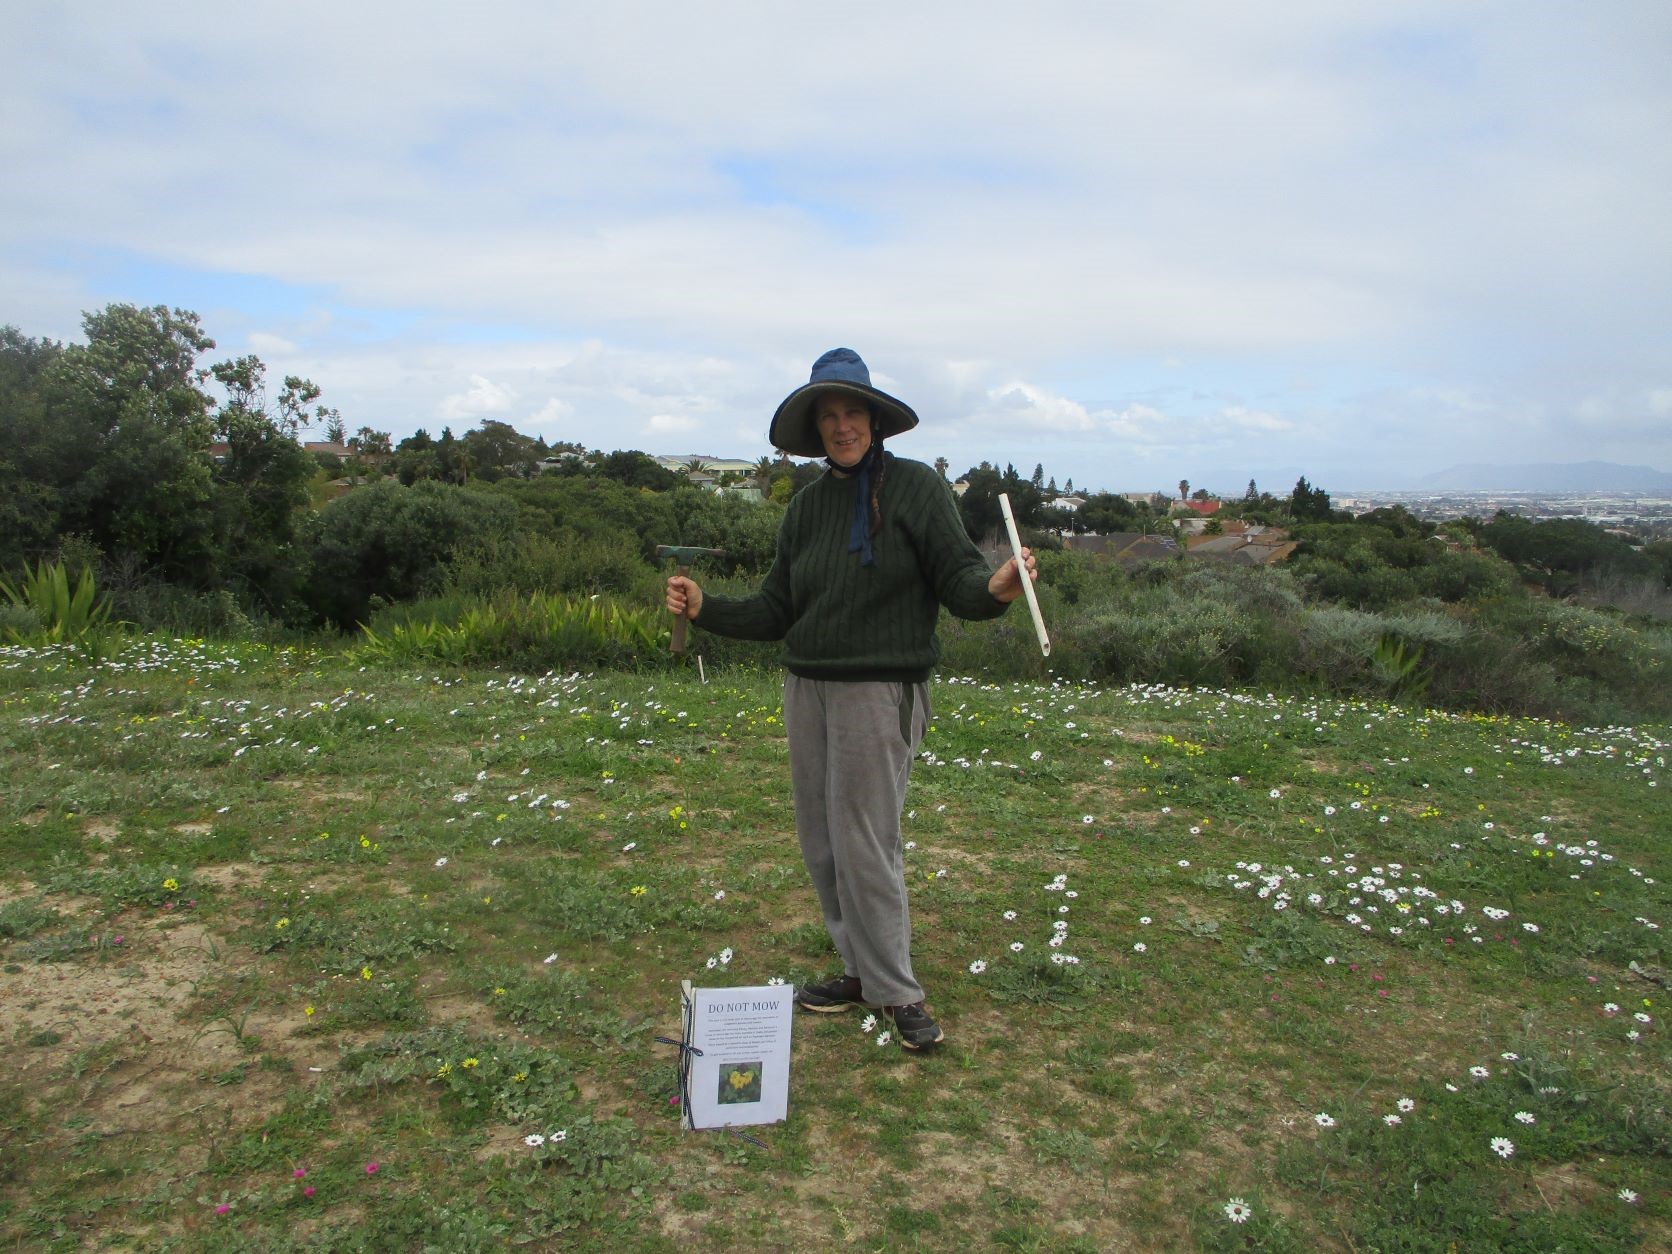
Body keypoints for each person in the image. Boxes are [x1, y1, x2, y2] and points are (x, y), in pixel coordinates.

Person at [665, 347, 1038, 1050]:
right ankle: (859, 971)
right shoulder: (806, 508)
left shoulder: (917, 490)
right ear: (817, 429)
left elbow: (960, 579)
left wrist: (996, 587)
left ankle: (898, 991)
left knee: (867, 842)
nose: (842, 426)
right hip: (808, 686)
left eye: (853, 412)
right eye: (829, 416)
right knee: (824, 842)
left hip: (878, 688)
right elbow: (778, 608)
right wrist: (705, 606)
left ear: (875, 419)